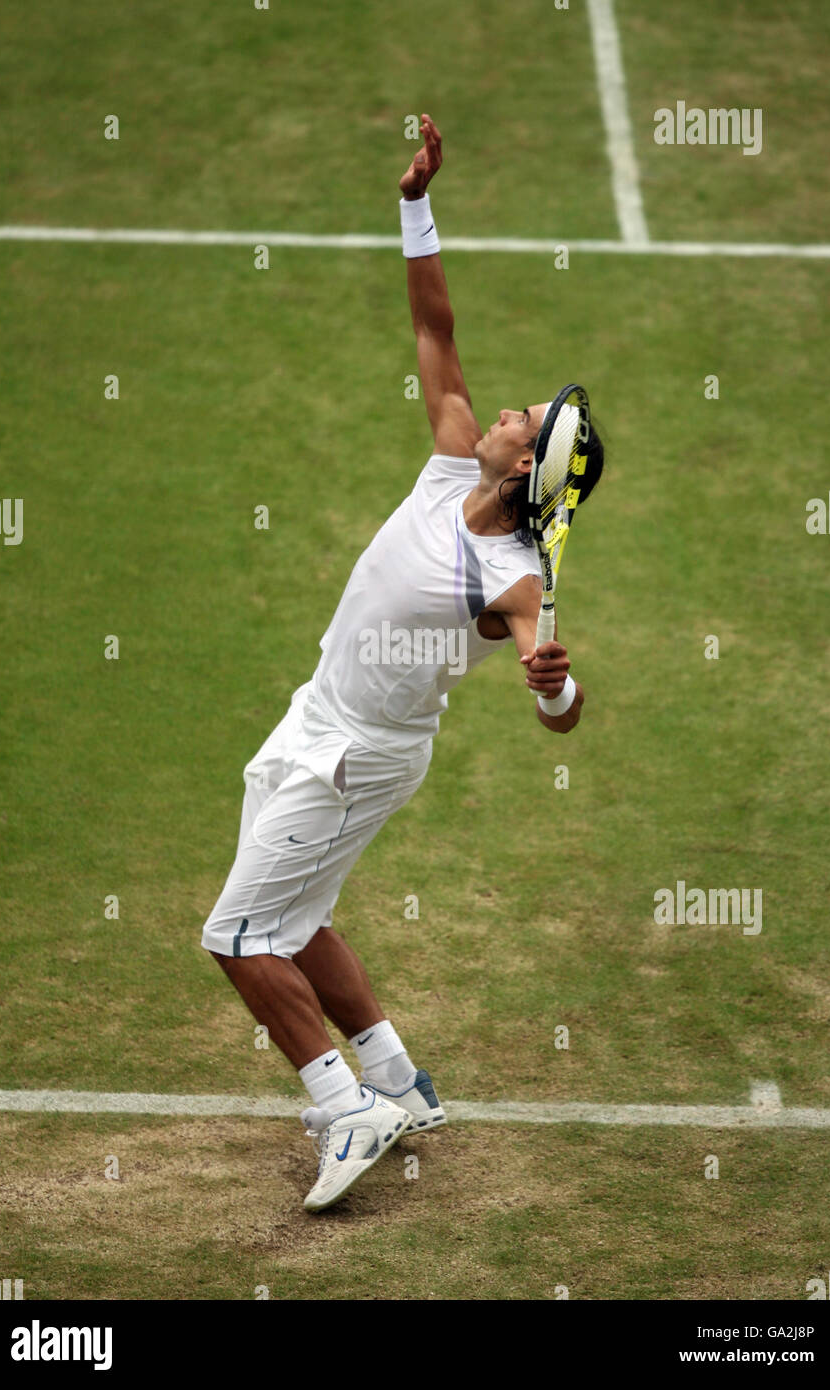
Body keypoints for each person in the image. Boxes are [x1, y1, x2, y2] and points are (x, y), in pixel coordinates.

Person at [201, 113, 603, 1213]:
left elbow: (556, 702)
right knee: (299, 919)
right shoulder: (447, 458)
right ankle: (396, 1080)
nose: (510, 407)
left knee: (236, 936)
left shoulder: (515, 576)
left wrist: (553, 684)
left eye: (530, 420)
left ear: (529, 470)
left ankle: (344, 1106)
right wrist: (414, 197)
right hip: (315, 717)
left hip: (362, 755)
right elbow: (434, 316)